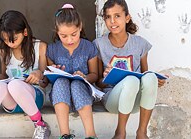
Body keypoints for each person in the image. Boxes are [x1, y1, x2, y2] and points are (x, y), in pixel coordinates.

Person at [0, 10, 51, 139]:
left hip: (34, 99)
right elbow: (4, 75)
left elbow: (45, 81)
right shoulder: (4, 50)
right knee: (0, 87)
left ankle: (40, 125)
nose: (10, 43)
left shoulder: (40, 47)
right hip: (12, 103)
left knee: (15, 85)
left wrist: (38, 74)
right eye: (6, 40)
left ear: (25, 32)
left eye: (14, 39)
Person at [93, 0, 167, 139]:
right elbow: (98, 83)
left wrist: (156, 81)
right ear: (104, 19)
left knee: (149, 77)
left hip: (136, 101)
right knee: (131, 80)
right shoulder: (99, 44)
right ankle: (120, 132)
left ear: (127, 17)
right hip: (113, 100)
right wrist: (106, 76)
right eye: (108, 17)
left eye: (117, 16)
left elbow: (145, 74)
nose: (112, 21)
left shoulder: (140, 44)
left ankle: (142, 132)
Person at [47, 4, 99, 139]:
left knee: (76, 84)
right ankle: (65, 135)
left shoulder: (88, 47)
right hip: (61, 98)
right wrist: (55, 71)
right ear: (57, 31)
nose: (69, 40)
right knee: (60, 82)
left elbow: (95, 75)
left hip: (84, 94)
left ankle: (91, 135)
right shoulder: (52, 50)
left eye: (74, 35)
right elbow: (48, 77)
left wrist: (85, 77)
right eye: (63, 36)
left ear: (80, 27)